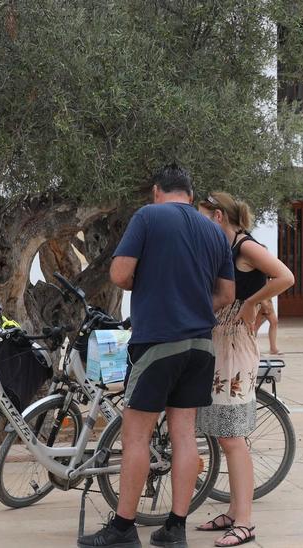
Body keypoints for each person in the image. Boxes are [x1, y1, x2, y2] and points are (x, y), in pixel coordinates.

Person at [79, 164, 235, 548]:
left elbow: (118, 274)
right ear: (190, 194)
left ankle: (123, 528)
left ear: (156, 191)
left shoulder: (149, 216)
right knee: (184, 436)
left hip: (157, 343)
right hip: (200, 346)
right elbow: (227, 295)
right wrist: (194, 305)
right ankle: (175, 529)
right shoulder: (214, 231)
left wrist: (150, 286)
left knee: (137, 437)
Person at [196, 192, 294, 547]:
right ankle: (235, 512)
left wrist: (253, 302)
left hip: (235, 343)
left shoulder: (245, 247)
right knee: (224, 433)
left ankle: (246, 522)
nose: (199, 222)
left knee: (233, 436)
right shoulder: (223, 248)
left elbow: (285, 276)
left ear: (218, 216)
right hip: (219, 340)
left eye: (203, 216)